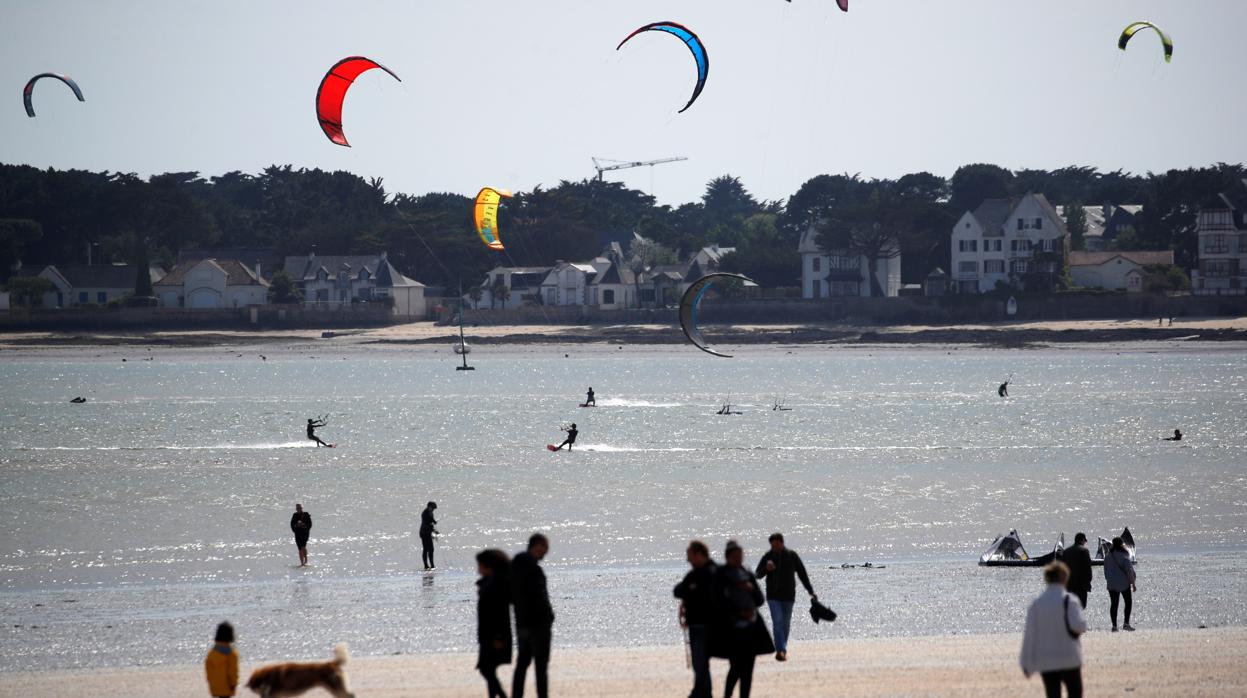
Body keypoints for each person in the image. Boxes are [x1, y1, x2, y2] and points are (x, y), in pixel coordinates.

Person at [714, 540, 773, 698]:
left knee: (748, 669)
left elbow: (760, 600)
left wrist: (751, 589)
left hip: (751, 628)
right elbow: (717, 602)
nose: (738, 559)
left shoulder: (746, 572)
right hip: (732, 629)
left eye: (740, 556)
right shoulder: (721, 575)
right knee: (736, 667)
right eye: (735, 556)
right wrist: (738, 613)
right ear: (727, 557)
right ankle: (727, 695)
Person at [1020, 561, 1086, 698]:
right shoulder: (1070, 600)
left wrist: (1026, 663)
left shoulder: (1037, 604)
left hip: (1046, 660)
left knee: (1052, 694)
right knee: (1075, 693)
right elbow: (1079, 626)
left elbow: (1029, 636)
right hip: (1069, 657)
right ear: (1063, 577)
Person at [754, 533, 816, 662]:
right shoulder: (768, 556)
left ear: (782, 543)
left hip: (788, 596)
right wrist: (766, 569)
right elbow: (757, 574)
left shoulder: (791, 556)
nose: (774, 547)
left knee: (785, 624)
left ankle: (782, 647)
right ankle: (781, 650)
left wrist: (810, 590)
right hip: (773, 596)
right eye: (772, 545)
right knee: (777, 621)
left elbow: (802, 573)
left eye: (777, 544)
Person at [674, 540, 718, 698]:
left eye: (690, 556)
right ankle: (702, 692)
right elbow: (678, 590)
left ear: (699, 554)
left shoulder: (712, 572)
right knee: (699, 663)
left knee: (700, 662)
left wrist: (691, 591)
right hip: (695, 625)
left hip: (708, 625)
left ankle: (701, 692)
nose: (688, 560)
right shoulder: (695, 574)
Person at [512, 533, 554, 698]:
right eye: (545, 547)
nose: (546, 552)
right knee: (541, 666)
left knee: (522, 663)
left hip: (522, 622)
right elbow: (539, 597)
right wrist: (548, 616)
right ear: (537, 546)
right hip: (538, 624)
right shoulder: (533, 570)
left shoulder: (516, 567)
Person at [476, 549, 513, 698]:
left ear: (487, 566)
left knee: (486, 669)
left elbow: (499, 614)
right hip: (489, 634)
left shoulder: (495, 584)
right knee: (488, 669)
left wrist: (498, 637)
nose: (477, 568)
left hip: (495, 635)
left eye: (479, 565)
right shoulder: (491, 582)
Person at [1104, 537, 1136, 632]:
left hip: (1111, 583)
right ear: (1122, 544)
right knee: (1128, 602)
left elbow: (1105, 571)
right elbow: (1129, 571)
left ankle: (1114, 626)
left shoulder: (1108, 556)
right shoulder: (1124, 555)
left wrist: (1108, 580)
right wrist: (1133, 583)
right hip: (1124, 583)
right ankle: (1126, 623)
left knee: (1114, 604)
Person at [204, 621, 240, 698]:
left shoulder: (212, 652)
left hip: (215, 685)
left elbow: (208, 668)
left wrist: (210, 681)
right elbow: (233, 670)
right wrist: (234, 683)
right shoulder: (232, 653)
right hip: (227, 686)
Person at [1061, 533, 1093, 609]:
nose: (1085, 542)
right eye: (1085, 540)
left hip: (1069, 584)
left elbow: (1062, 568)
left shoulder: (1066, 551)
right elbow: (1087, 567)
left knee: (1070, 606)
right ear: (1082, 540)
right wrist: (1089, 580)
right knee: (1081, 606)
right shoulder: (1084, 551)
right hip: (1081, 584)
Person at [420, 501, 439, 570]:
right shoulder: (425, 514)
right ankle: (428, 565)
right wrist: (433, 529)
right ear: (429, 507)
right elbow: (427, 523)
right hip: (424, 533)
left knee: (429, 549)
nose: (433, 509)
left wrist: (434, 529)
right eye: (433, 508)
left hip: (427, 532)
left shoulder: (430, 512)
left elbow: (431, 522)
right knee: (428, 549)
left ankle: (430, 565)